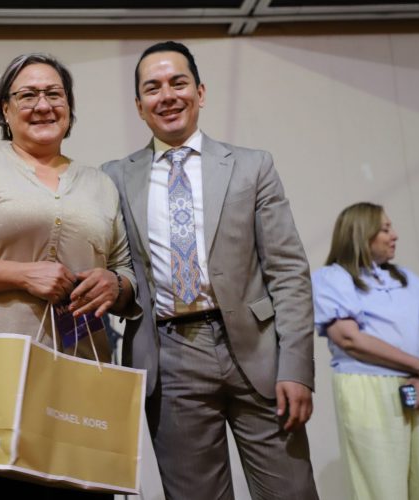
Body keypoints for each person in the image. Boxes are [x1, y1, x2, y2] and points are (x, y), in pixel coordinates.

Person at [0, 53, 138, 500]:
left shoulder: (100, 184)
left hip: (75, 389)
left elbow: (125, 269)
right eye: (27, 95)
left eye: (54, 94)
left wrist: (117, 285)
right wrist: (23, 275)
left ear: (69, 107)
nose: (42, 105)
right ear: (5, 109)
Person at [101, 41, 318, 500]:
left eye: (178, 83)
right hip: (169, 357)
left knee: (292, 492)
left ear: (200, 92)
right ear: (139, 106)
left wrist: (297, 367)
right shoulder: (113, 177)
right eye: (153, 88)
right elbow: (117, 269)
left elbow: (288, 273)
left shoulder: (252, 166)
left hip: (259, 353)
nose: (167, 95)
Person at [313, 202, 419, 500]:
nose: (395, 235)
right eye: (385, 229)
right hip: (371, 390)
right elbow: (349, 338)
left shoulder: (406, 277)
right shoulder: (333, 278)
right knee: (382, 488)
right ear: (362, 233)